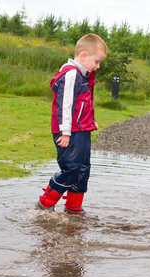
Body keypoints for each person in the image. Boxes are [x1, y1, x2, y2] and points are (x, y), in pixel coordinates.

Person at [36, 33, 107, 215]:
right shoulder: (71, 74)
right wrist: (65, 132)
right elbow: (65, 105)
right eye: (96, 61)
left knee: (83, 167)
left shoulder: (84, 74)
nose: (97, 66)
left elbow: (85, 102)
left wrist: (92, 121)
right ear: (83, 56)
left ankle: (73, 206)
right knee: (71, 168)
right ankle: (45, 203)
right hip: (69, 131)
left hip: (83, 129)